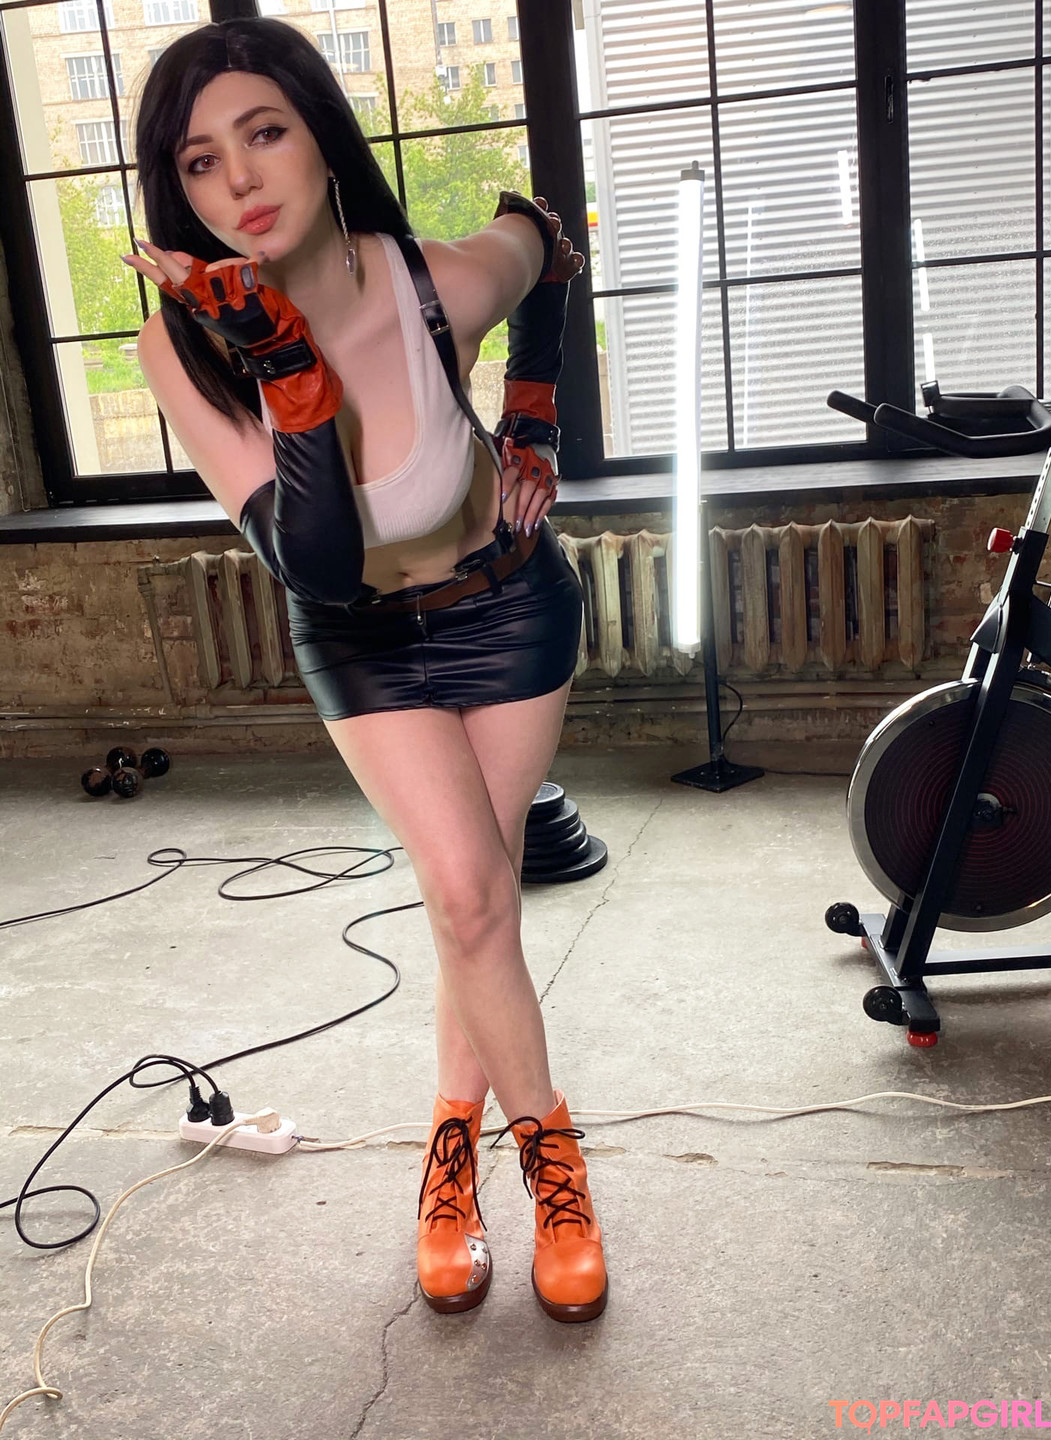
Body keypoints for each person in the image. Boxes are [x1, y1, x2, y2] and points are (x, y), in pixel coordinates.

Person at [126, 16, 607, 1324]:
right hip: (357, 634)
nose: (239, 179)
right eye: (201, 160)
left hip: (507, 605)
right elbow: (321, 566)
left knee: (474, 906)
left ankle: (452, 1151)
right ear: (179, 190)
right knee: (468, 890)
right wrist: (287, 368)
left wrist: (534, 415)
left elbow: (546, 240)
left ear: (323, 143)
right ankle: (551, 1164)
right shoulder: (185, 343)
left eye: (265, 133)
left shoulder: (436, 283)